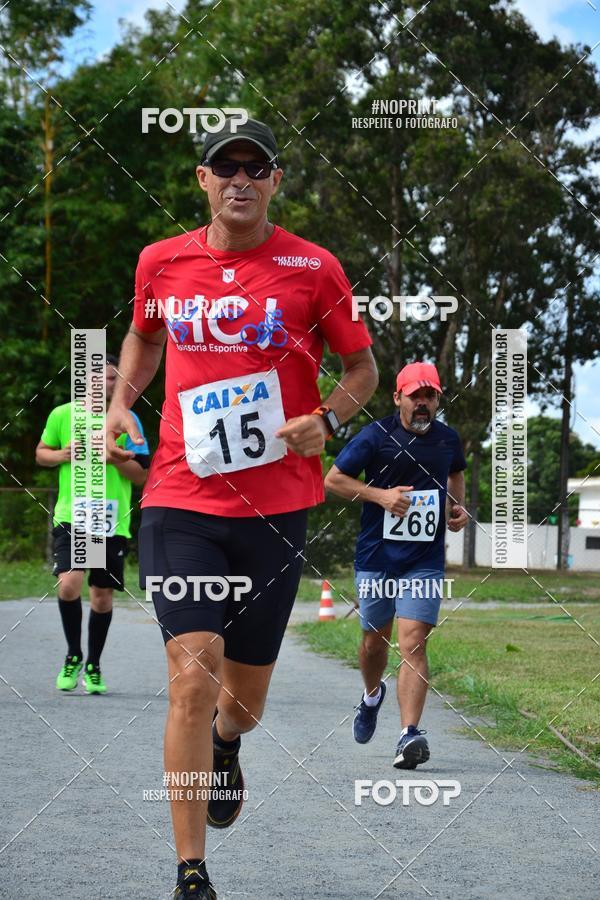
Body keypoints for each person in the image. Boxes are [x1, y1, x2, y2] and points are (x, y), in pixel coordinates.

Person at [105, 117, 378, 899]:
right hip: (179, 498)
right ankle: (191, 870)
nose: (241, 180)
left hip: (275, 509)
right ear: (202, 180)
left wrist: (325, 421)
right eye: (226, 167)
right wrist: (123, 402)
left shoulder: (313, 267)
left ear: (275, 182)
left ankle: (228, 745)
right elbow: (144, 337)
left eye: (257, 168)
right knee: (191, 672)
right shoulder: (162, 261)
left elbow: (361, 368)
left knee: (243, 700)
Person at [324, 362, 468, 769]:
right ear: (397, 398)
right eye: (415, 396)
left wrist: (458, 507)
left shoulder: (447, 439)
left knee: (413, 643)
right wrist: (381, 496)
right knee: (374, 641)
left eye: (430, 396)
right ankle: (372, 696)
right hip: (377, 559)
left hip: (424, 561)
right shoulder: (376, 437)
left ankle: (409, 735)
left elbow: (456, 472)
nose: (423, 404)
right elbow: (333, 480)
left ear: (438, 399)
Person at [36, 354, 149, 694]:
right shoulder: (63, 415)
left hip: (110, 520)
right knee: (69, 584)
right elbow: (41, 453)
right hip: (72, 515)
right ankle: (73, 655)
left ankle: (94, 665)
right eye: (100, 379)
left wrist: (114, 460)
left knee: (101, 597)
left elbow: (142, 475)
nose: (106, 385)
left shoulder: (129, 420)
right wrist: (62, 455)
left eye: (114, 380)